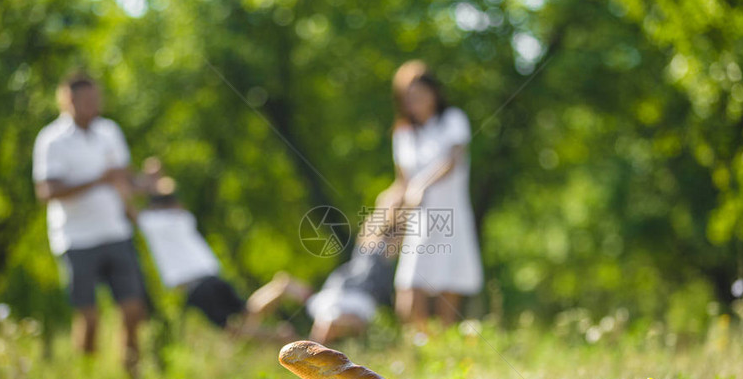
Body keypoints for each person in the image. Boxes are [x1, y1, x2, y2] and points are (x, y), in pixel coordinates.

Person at [32, 72, 146, 379]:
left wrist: (141, 192)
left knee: (133, 309)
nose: (93, 105)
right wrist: (97, 180)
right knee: (89, 317)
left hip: (116, 233)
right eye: (86, 100)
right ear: (68, 101)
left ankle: (132, 374)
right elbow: (47, 191)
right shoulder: (51, 140)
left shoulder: (110, 131)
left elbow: (123, 176)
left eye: (96, 99)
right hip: (76, 239)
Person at [135, 161, 293, 342]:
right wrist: (156, 178)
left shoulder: (152, 224)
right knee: (247, 310)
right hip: (211, 274)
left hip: (194, 285)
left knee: (229, 329)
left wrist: (141, 182)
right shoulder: (183, 218)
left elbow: (128, 202)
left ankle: (280, 336)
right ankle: (280, 288)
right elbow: (164, 191)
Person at [247, 182, 404, 344]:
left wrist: (401, 204)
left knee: (330, 324)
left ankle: (306, 349)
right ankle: (246, 321)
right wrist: (395, 199)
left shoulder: (388, 246)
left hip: (357, 300)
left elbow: (396, 224)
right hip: (333, 291)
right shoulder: (369, 239)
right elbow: (382, 217)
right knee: (283, 284)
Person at [390, 60, 483, 331]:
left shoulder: (453, 120)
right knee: (409, 286)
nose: (414, 102)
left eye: (419, 95)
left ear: (434, 93)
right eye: (408, 98)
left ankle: (443, 342)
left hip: (451, 214)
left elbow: (452, 160)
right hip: (419, 221)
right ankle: (421, 340)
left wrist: (421, 185)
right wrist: (386, 208)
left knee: (449, 280)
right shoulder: (403, 133)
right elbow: (401, 183)